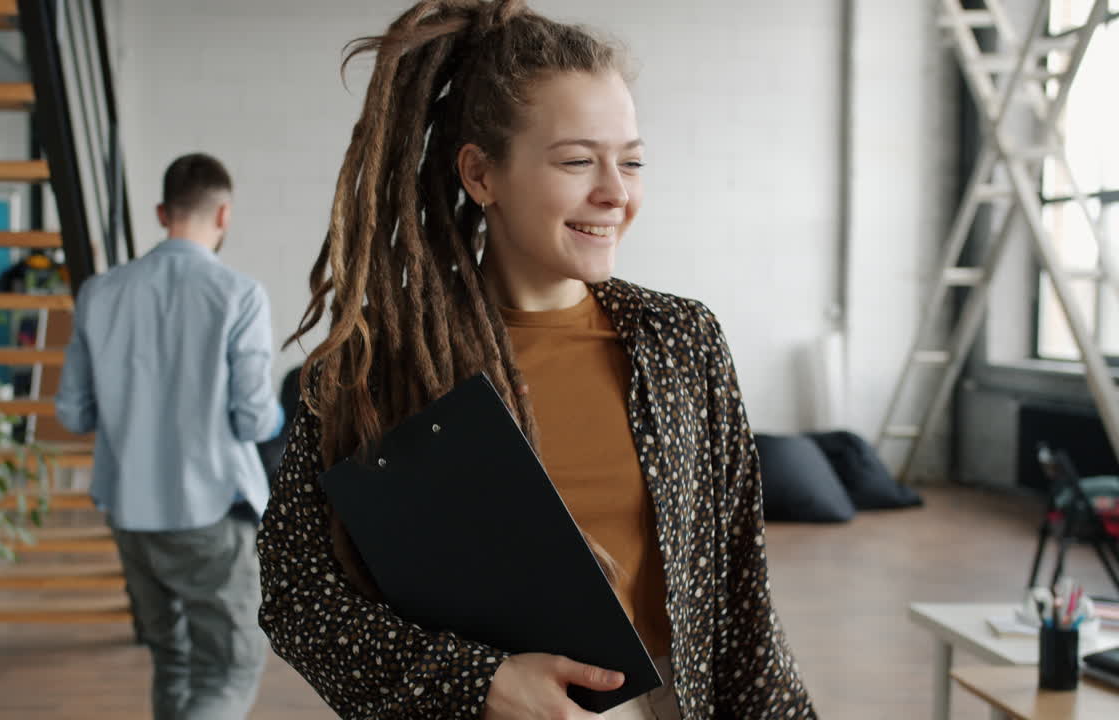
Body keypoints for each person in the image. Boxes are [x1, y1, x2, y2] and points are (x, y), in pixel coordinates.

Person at [256, 1, 817, 718]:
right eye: (579, 161)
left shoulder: (681, 342)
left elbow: (741, 605)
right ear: (481, 175)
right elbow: (296, 592)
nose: (615, 191)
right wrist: (477, 684)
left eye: (632, 160)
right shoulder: (380, 364)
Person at [57, 152, 283, 720]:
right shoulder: (240, 295)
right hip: (207, 511)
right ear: (224, 215)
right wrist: (284, 422)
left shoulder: (99, 293)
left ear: (162, 211)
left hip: (130, 512)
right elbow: (254, 420)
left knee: (173, 660)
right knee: (229, 668)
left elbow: (73, 414)